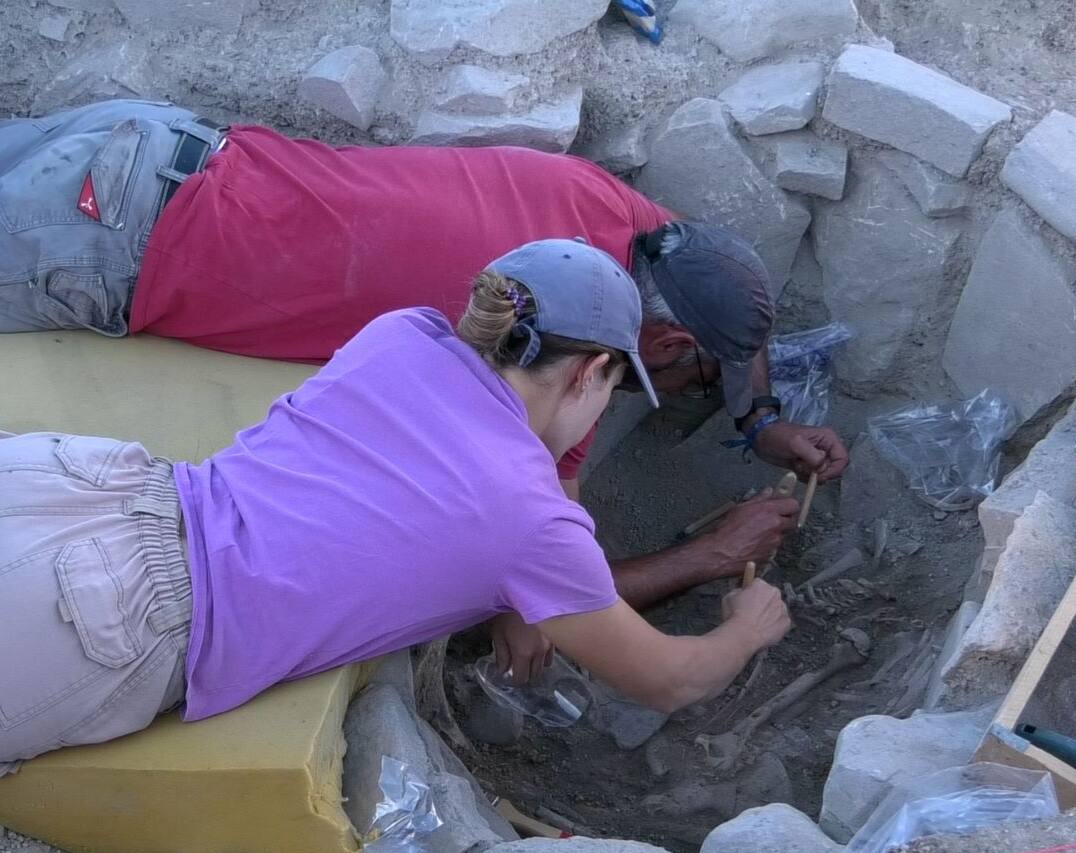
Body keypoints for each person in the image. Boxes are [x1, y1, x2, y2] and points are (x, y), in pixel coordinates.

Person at [1, 99, 844, 669]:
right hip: (100, 241)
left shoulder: (597, 221)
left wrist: (759, 418)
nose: (686, 389)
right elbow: (551, 587)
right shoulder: (541, 367)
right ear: (634, 349)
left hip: (147, 146)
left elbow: (720, 307)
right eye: (695, 374)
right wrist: (712, 557)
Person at [0, 240, 792, 777]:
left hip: (82, 486)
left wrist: (527, 591)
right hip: (108, 614)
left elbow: (416, 499)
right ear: (589, 372)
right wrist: (746, 625)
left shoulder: (403, 334)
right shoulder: (529, 522)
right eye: (614, 388)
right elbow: (669, 681)